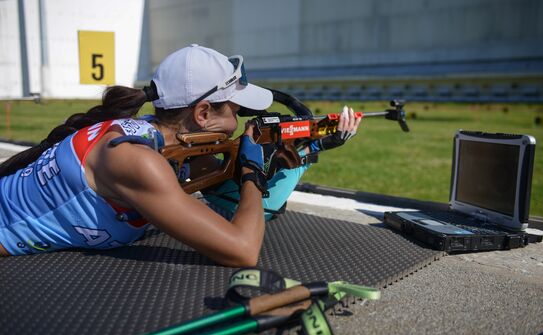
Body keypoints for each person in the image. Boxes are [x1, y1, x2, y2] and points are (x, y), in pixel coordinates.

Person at [0, 44, 361, 266]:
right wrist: (253, 166)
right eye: (235, 111)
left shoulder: (154, 136)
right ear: (202, 114)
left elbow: (241, 201)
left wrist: (311, 147)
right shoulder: (139, 161)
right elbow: (242, 249)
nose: (238, 123)